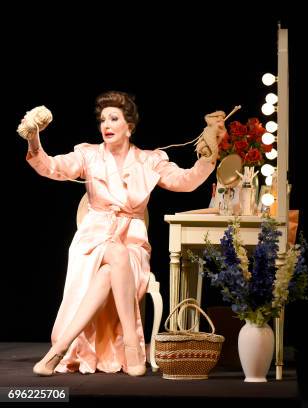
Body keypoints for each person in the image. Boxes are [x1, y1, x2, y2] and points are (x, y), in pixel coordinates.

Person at [24, 91, 225, 376]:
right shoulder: (88, 155)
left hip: (131, 243)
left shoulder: (149, 161)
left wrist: (208, 155)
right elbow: (52, 167)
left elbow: (186, 182)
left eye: (114, 118)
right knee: (113, 254)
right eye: (103, 119)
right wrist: (34, 137)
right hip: (92, 240)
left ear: (129, 126)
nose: (106, 124)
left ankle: (56, 353)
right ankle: (133, 345)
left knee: (113, 265)